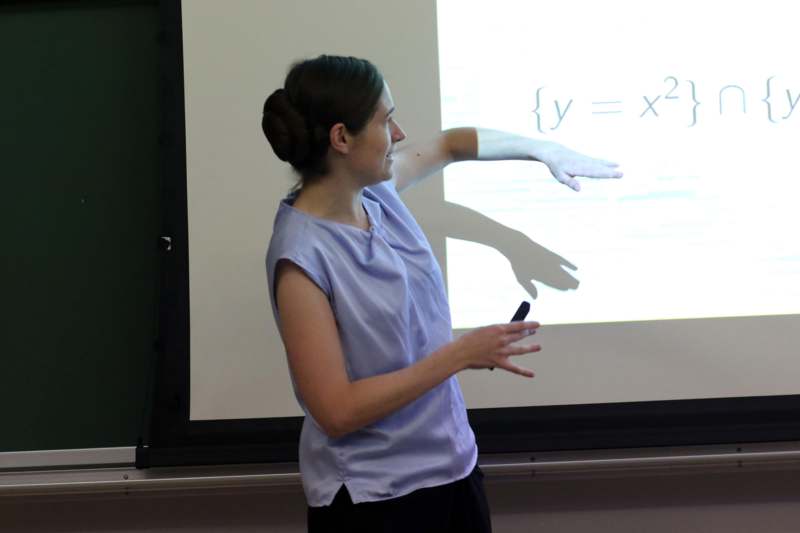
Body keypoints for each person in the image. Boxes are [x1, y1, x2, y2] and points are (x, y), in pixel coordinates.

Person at [262, 55, 621, 533]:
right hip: (377, 499)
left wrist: (543, 149)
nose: (400, 134)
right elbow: (336, 410)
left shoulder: (378, 195)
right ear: (341, 138)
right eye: (385, 121)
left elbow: (454, 144)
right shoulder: (300, 259)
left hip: (452, 470)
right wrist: (458, 356)